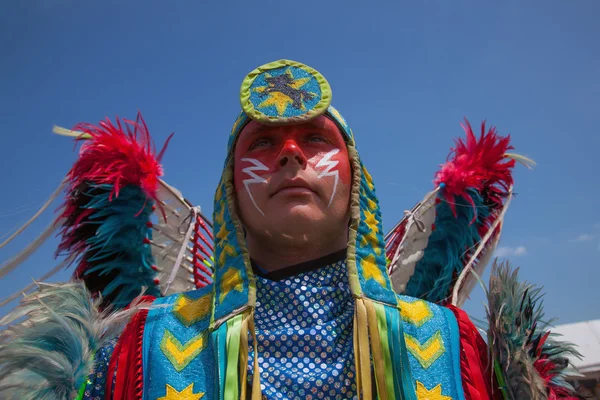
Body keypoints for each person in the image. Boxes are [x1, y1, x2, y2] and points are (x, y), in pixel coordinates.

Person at [0, 60, 581, 400]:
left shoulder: (452, 347)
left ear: (357, 184)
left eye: (316, 140)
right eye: (263, 144)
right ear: (231, 194)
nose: (290, 155)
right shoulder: (138, 349)